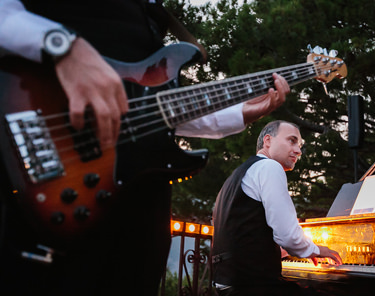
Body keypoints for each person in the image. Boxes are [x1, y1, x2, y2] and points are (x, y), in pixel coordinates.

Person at [0, 0, 288, 294]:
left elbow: (150, 111)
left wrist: (241, 112)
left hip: (139, 204)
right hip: (41, 182)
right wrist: (62, 46)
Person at [210, 120, 343, 295]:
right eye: (292, 140)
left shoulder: (238, 175)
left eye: (300, 145)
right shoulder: (269, 166)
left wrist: (285, 252)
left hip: (226, 281)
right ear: (268, 141)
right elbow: (287, 235)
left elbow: (245, 236)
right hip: (251, 285)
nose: (298, 150)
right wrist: (317, 250)